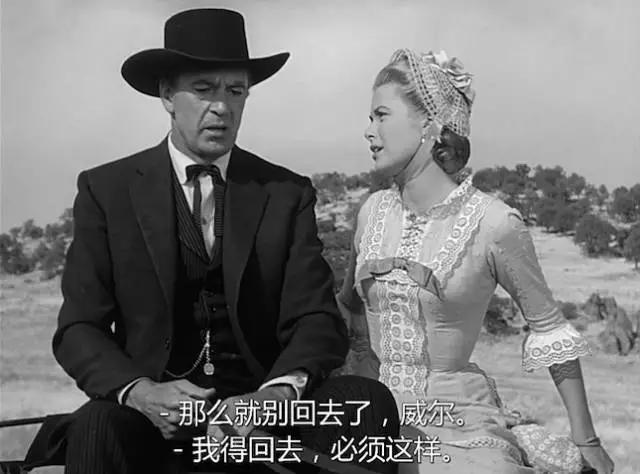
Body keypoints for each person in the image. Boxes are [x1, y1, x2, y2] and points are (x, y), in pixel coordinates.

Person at [23, 9, 399, 474]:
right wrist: (141, 393)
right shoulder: (107, 191)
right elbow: (80, 329)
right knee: (98, 424)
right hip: (153, 423)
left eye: (235, 91)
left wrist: (276, 394)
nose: (222, 107)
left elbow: (317, 318)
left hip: (263, 423)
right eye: (204, 90)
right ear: (167, 94)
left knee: (364, 401)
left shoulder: (284, 193)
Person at [336, 48, 615, 473]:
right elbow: (348, 306)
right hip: (367, 408)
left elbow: (548, 327)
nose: (368, 131)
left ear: (429, 125)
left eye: (381, 116)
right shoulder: (371, 212)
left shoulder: (494, 223)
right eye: (370, 118)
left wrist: (586, 440)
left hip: (454, 415)